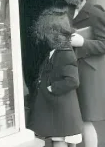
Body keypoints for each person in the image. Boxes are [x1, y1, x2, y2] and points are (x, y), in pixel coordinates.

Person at [56, 0, 105, 147]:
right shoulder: (69, 10)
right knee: (71, 118)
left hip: (89, 73)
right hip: (72, 69)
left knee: (86, 121)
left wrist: (83, 42)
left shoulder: (96, 12)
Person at [28, 9, 83, 147]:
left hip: (60, 107)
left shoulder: (65, 53)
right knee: (63, 139)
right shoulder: (60, 51)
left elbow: (73, 80)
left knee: (59, 140)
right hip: (60, 107)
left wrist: (52, 88)